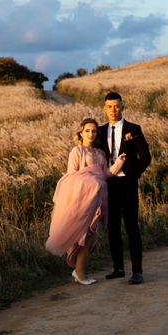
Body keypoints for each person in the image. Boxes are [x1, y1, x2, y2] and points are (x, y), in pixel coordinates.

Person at [45, 118, 126, 285]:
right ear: (81, 132)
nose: (91, 134)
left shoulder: (101, 153)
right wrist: (89, 183)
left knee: (92, 233)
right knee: (83, 233)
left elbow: (104, 175)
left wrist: (118, 163)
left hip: (97, 197)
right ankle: (79, 271)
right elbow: (71, 176)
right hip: (82, 199)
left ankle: (79, 270)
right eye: (87, 131)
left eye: (94, 131)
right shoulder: (77, 152)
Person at [99, 91, 152, 285]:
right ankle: (118, 268)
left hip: (128, 184)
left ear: (122, 107)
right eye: (110, 106)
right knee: (113, 227)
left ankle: (137, 272)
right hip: (109, 185)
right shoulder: (100, 130)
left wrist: (131, 172)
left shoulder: (134, 129)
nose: (113, 110)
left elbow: (146, 158)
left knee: (131, 226)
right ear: (104, 109)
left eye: (117, 106)